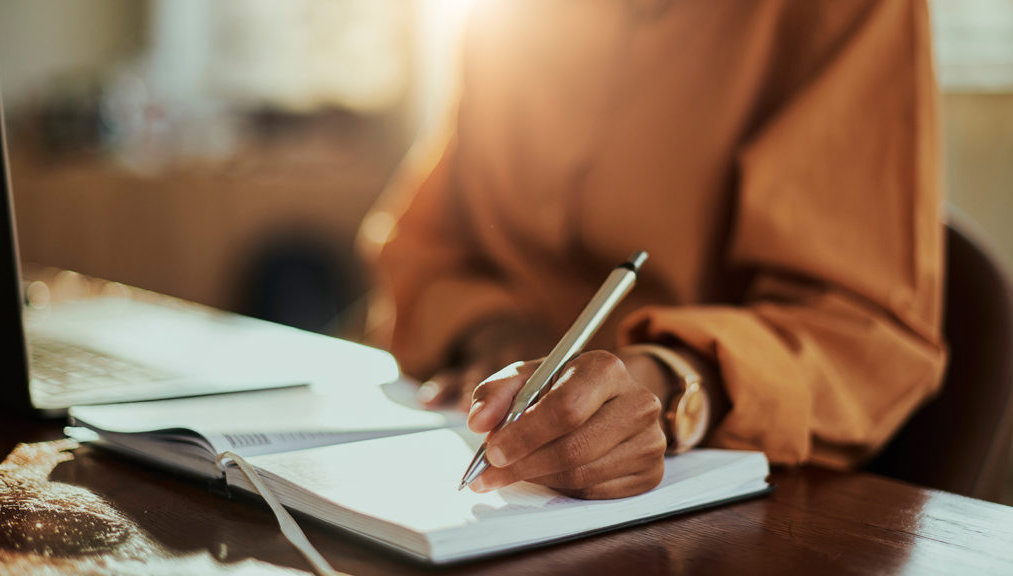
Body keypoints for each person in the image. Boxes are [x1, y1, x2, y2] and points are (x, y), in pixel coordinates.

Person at [358, 0, 946, 500]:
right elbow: (419, 248)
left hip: (741, 512)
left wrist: (672, 383)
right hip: (478, 433)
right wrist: (497, 334)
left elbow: (869, 336)